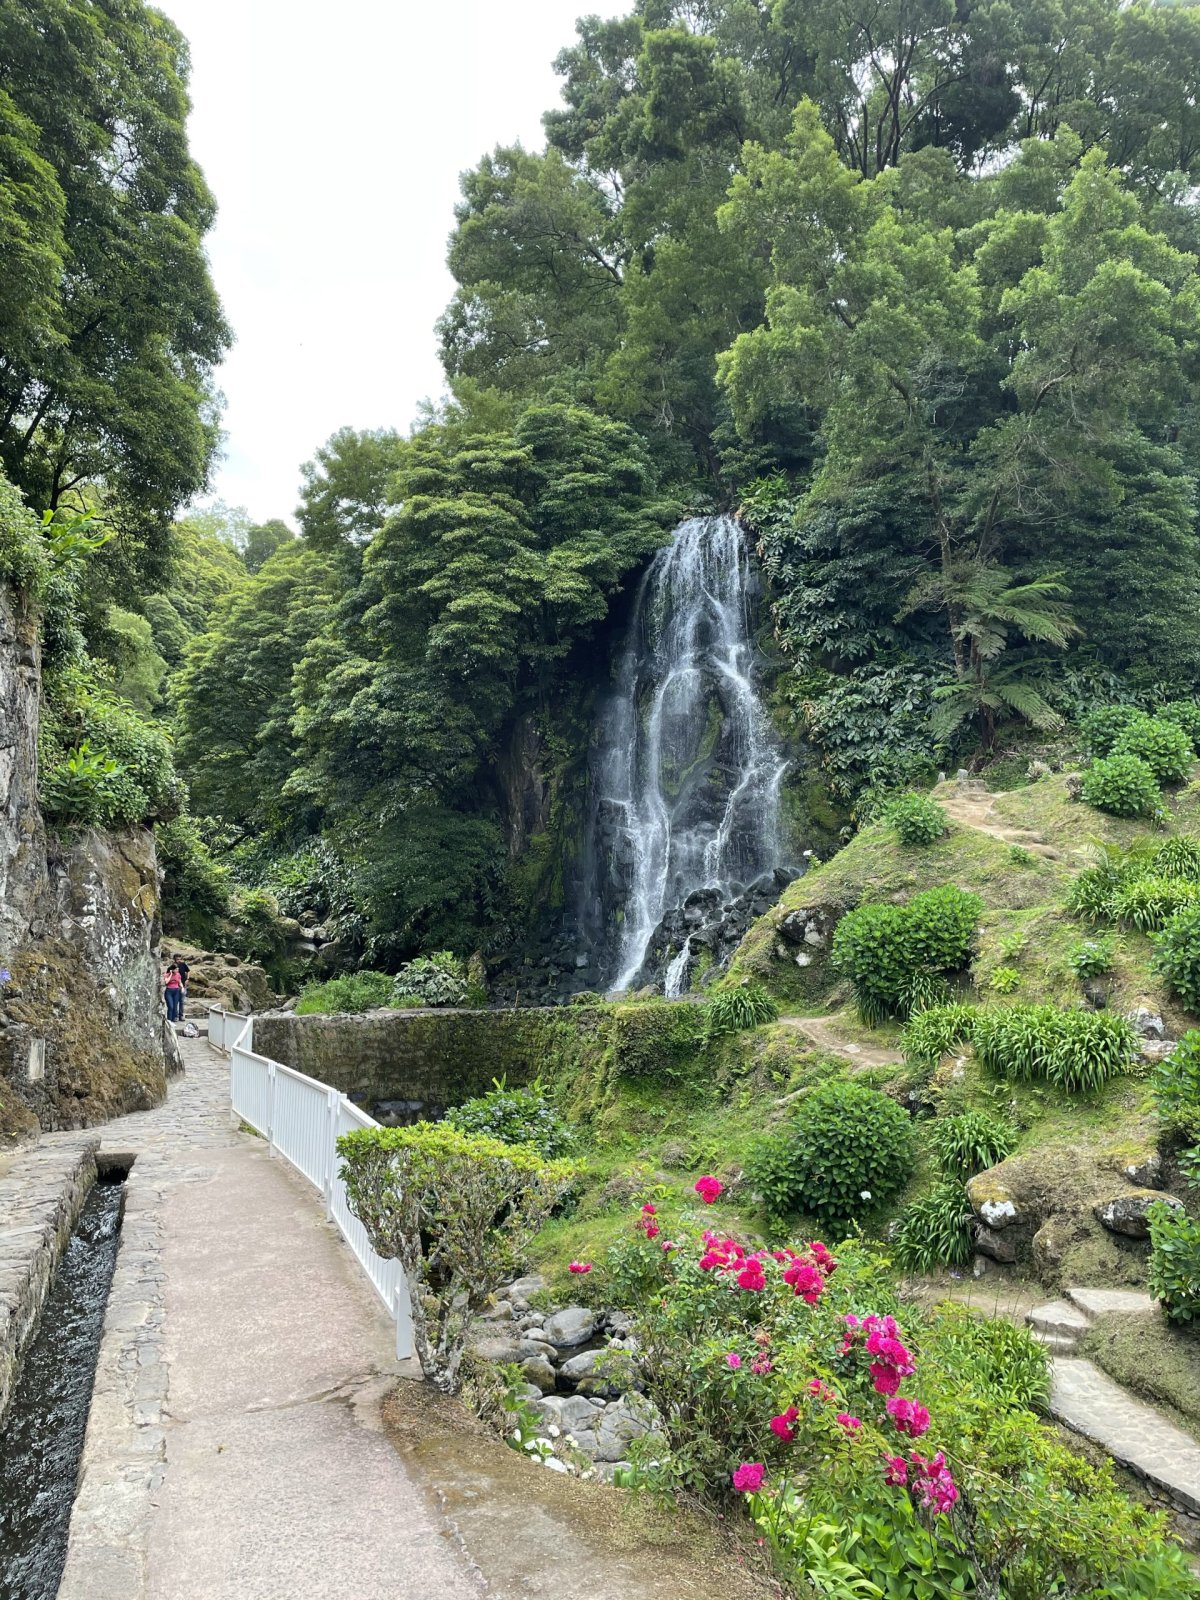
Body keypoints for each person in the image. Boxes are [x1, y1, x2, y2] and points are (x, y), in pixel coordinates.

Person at [174, 954, 190, 1019]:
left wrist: (188, 979)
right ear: (174, 959)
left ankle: (181, 1015)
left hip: (183, 985)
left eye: (180, 959)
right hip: (175, 986)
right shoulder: (173, 966)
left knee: (182, 1001)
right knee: (175, 1001)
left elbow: (188, 971)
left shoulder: (183, 964)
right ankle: (175, 1015)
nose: (179, 960)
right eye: (177, 959)